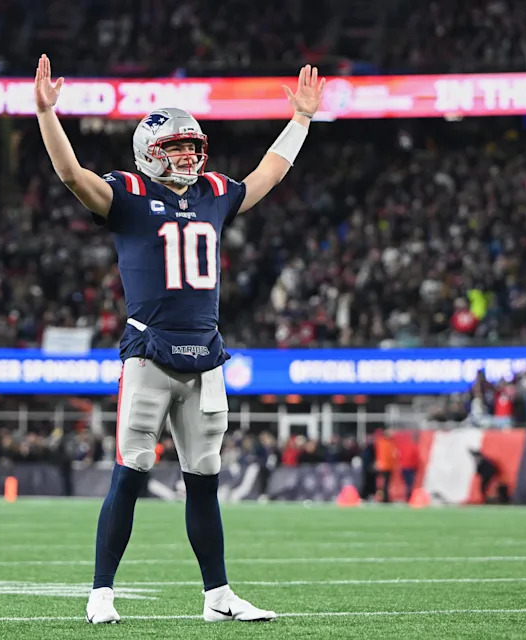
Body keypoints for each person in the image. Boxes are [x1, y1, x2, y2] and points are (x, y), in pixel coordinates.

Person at [34, 54, 325, 624]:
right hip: (150, 352)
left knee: (204, 478)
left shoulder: (214, 191)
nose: (189, 156)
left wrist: (301, 121)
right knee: (131, 471)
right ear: (148, 151)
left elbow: (266, 175)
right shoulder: (126, 194)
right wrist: (47, 114)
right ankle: (100, 593)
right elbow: (72, 175)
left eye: (193, 147)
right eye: (177, 147)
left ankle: (218, 596)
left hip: (206, 354)